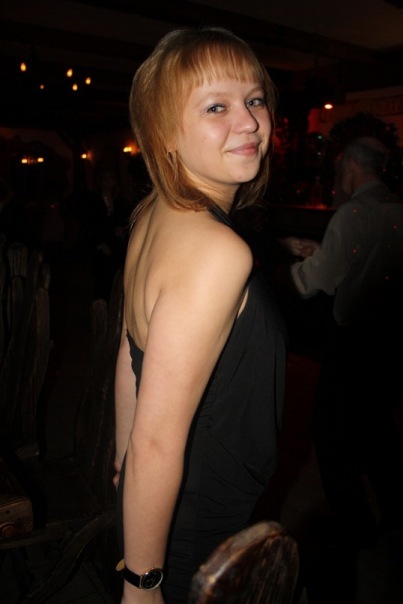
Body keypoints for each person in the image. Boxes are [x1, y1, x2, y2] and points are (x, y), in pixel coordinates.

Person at [113, 27, 288, 604]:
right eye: (217, 107)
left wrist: (121, 466)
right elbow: (158, 441)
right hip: (202, 525)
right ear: (165, 132)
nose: (249, 122)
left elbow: (129, 354)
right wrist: (142, 585)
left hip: (172, 508)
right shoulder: (217, 250)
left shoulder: (153, 213)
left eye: (254, 99)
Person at [280, 136, 403, 547]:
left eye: (338, 169)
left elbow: (316, 281)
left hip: (354, 346)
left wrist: (285, 268)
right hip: (391, 343)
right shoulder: (397, 209)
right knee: (378, 430)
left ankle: (352, 525)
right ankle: (392, 514)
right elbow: (371, 262)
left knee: (332, 433)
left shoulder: (352, 213)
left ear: (350, 166)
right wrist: (325, 252)